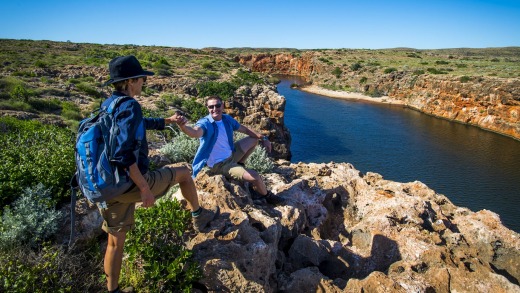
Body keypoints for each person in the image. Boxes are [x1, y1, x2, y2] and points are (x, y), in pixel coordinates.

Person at [99, 55, 218, 293]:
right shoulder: (131, 105)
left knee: (114, 242)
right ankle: (198, 215)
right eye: (142, 78)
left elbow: (140, 124)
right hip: (130, 182)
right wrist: (144, 189)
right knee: (184, 173)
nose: (144, 81)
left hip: (108, 183)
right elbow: (123, 155)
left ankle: (112, 290)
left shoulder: (110, 104)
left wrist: (169, 121)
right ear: (131, 81)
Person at [176, 95, 285, 205]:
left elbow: (245, 129)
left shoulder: (226, 119)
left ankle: (240, 164)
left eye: (217, 105)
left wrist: (263, 138)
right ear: (207, 108)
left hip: (231, 155)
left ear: (222, 106)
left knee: (253, 139)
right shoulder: (205, 123)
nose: (214, 109)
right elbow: (195, 132)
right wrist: (183, 127)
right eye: (211, 107)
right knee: (255, 176)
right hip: (220, 165)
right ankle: (268, 196)